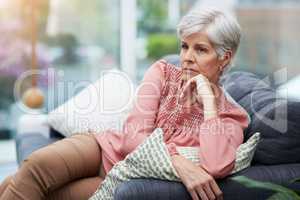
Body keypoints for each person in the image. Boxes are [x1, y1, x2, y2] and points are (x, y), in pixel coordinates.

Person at [0, 7, 249, 200]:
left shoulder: (231, 116)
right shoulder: (162, 73)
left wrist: (209, 103)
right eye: (185, 46)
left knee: (23, 188)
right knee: (35, 166)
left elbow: (217, 165)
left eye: (201, 50)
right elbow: (132, 137)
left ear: (224, 58)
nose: (187, 58)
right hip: (102, 150)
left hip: (122, 177)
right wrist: (178, 162)